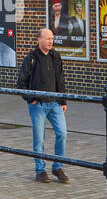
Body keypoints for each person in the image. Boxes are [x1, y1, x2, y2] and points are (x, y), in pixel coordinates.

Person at [17, 27, 68, 183]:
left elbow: (60, 78)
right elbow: (21, 83)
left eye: (52, 38)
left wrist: (63, 100)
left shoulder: (55, 56)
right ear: (39, 40)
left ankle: (57, 167)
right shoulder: (31, 58)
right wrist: (30, 98)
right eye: (47, 38)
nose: (50, 41)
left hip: (55, 104)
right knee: (39, 138)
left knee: (62, 133)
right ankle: (40, 170)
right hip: (38, 105)